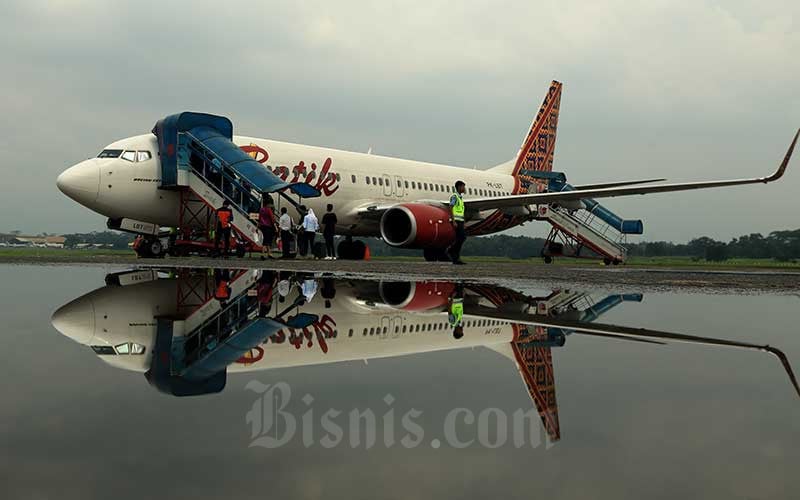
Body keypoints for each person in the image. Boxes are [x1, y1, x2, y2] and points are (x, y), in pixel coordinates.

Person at [448, 180, 467, 265]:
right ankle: (452, 251)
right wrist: (453, 220)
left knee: (460, 238)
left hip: (461, 221)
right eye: (463, 186)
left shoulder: (460, 198)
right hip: (456, 221)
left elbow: (461, 211)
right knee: (462, 237)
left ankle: (456, 258)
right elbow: (451, 207)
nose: (464, 188)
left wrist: (464, 221)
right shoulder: (455, 197)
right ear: (459, 187)